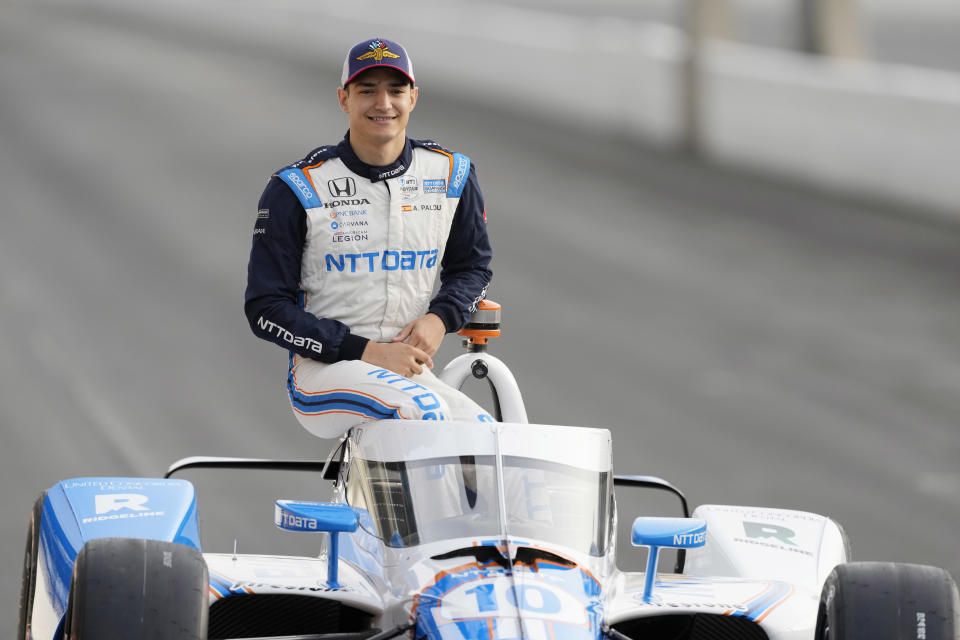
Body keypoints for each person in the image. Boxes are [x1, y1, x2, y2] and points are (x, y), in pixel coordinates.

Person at [245, 38, 494, 438]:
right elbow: (264, 308)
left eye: (395, 90)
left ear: (413, 97)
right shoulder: (297, 186)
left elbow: (473, 267)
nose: (383, 103)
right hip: (322, 372)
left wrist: (439, 317)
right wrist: (366, 352)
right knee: (425, 414)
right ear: (344, 99)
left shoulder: (451, 174)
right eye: (367, 90)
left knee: (490, 436)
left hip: (407, 371)